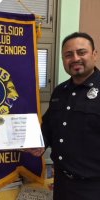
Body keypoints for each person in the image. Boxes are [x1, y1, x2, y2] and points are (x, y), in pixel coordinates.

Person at [31, 32, 100, 200]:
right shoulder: (60, 91)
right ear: (63, 60)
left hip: (93, 187)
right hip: (61, 183)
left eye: (81, 52)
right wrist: (41, 143)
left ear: (94, 55)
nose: (75, 58)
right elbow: (48, 126)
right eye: (68, 55)